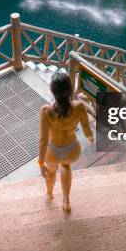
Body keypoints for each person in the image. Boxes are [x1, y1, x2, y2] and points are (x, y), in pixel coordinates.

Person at [38, 72, 94, 212]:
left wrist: (40, 163)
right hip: (72, 150)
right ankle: (66, 200)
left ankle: (50, 194)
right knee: (66, 167)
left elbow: (43, 140)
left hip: (53, 152)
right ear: (70, 90)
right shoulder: (80, 107)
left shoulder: (46, 111)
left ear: (52, 91)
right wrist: (90, 137)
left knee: (51, 171)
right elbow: (86, 127)